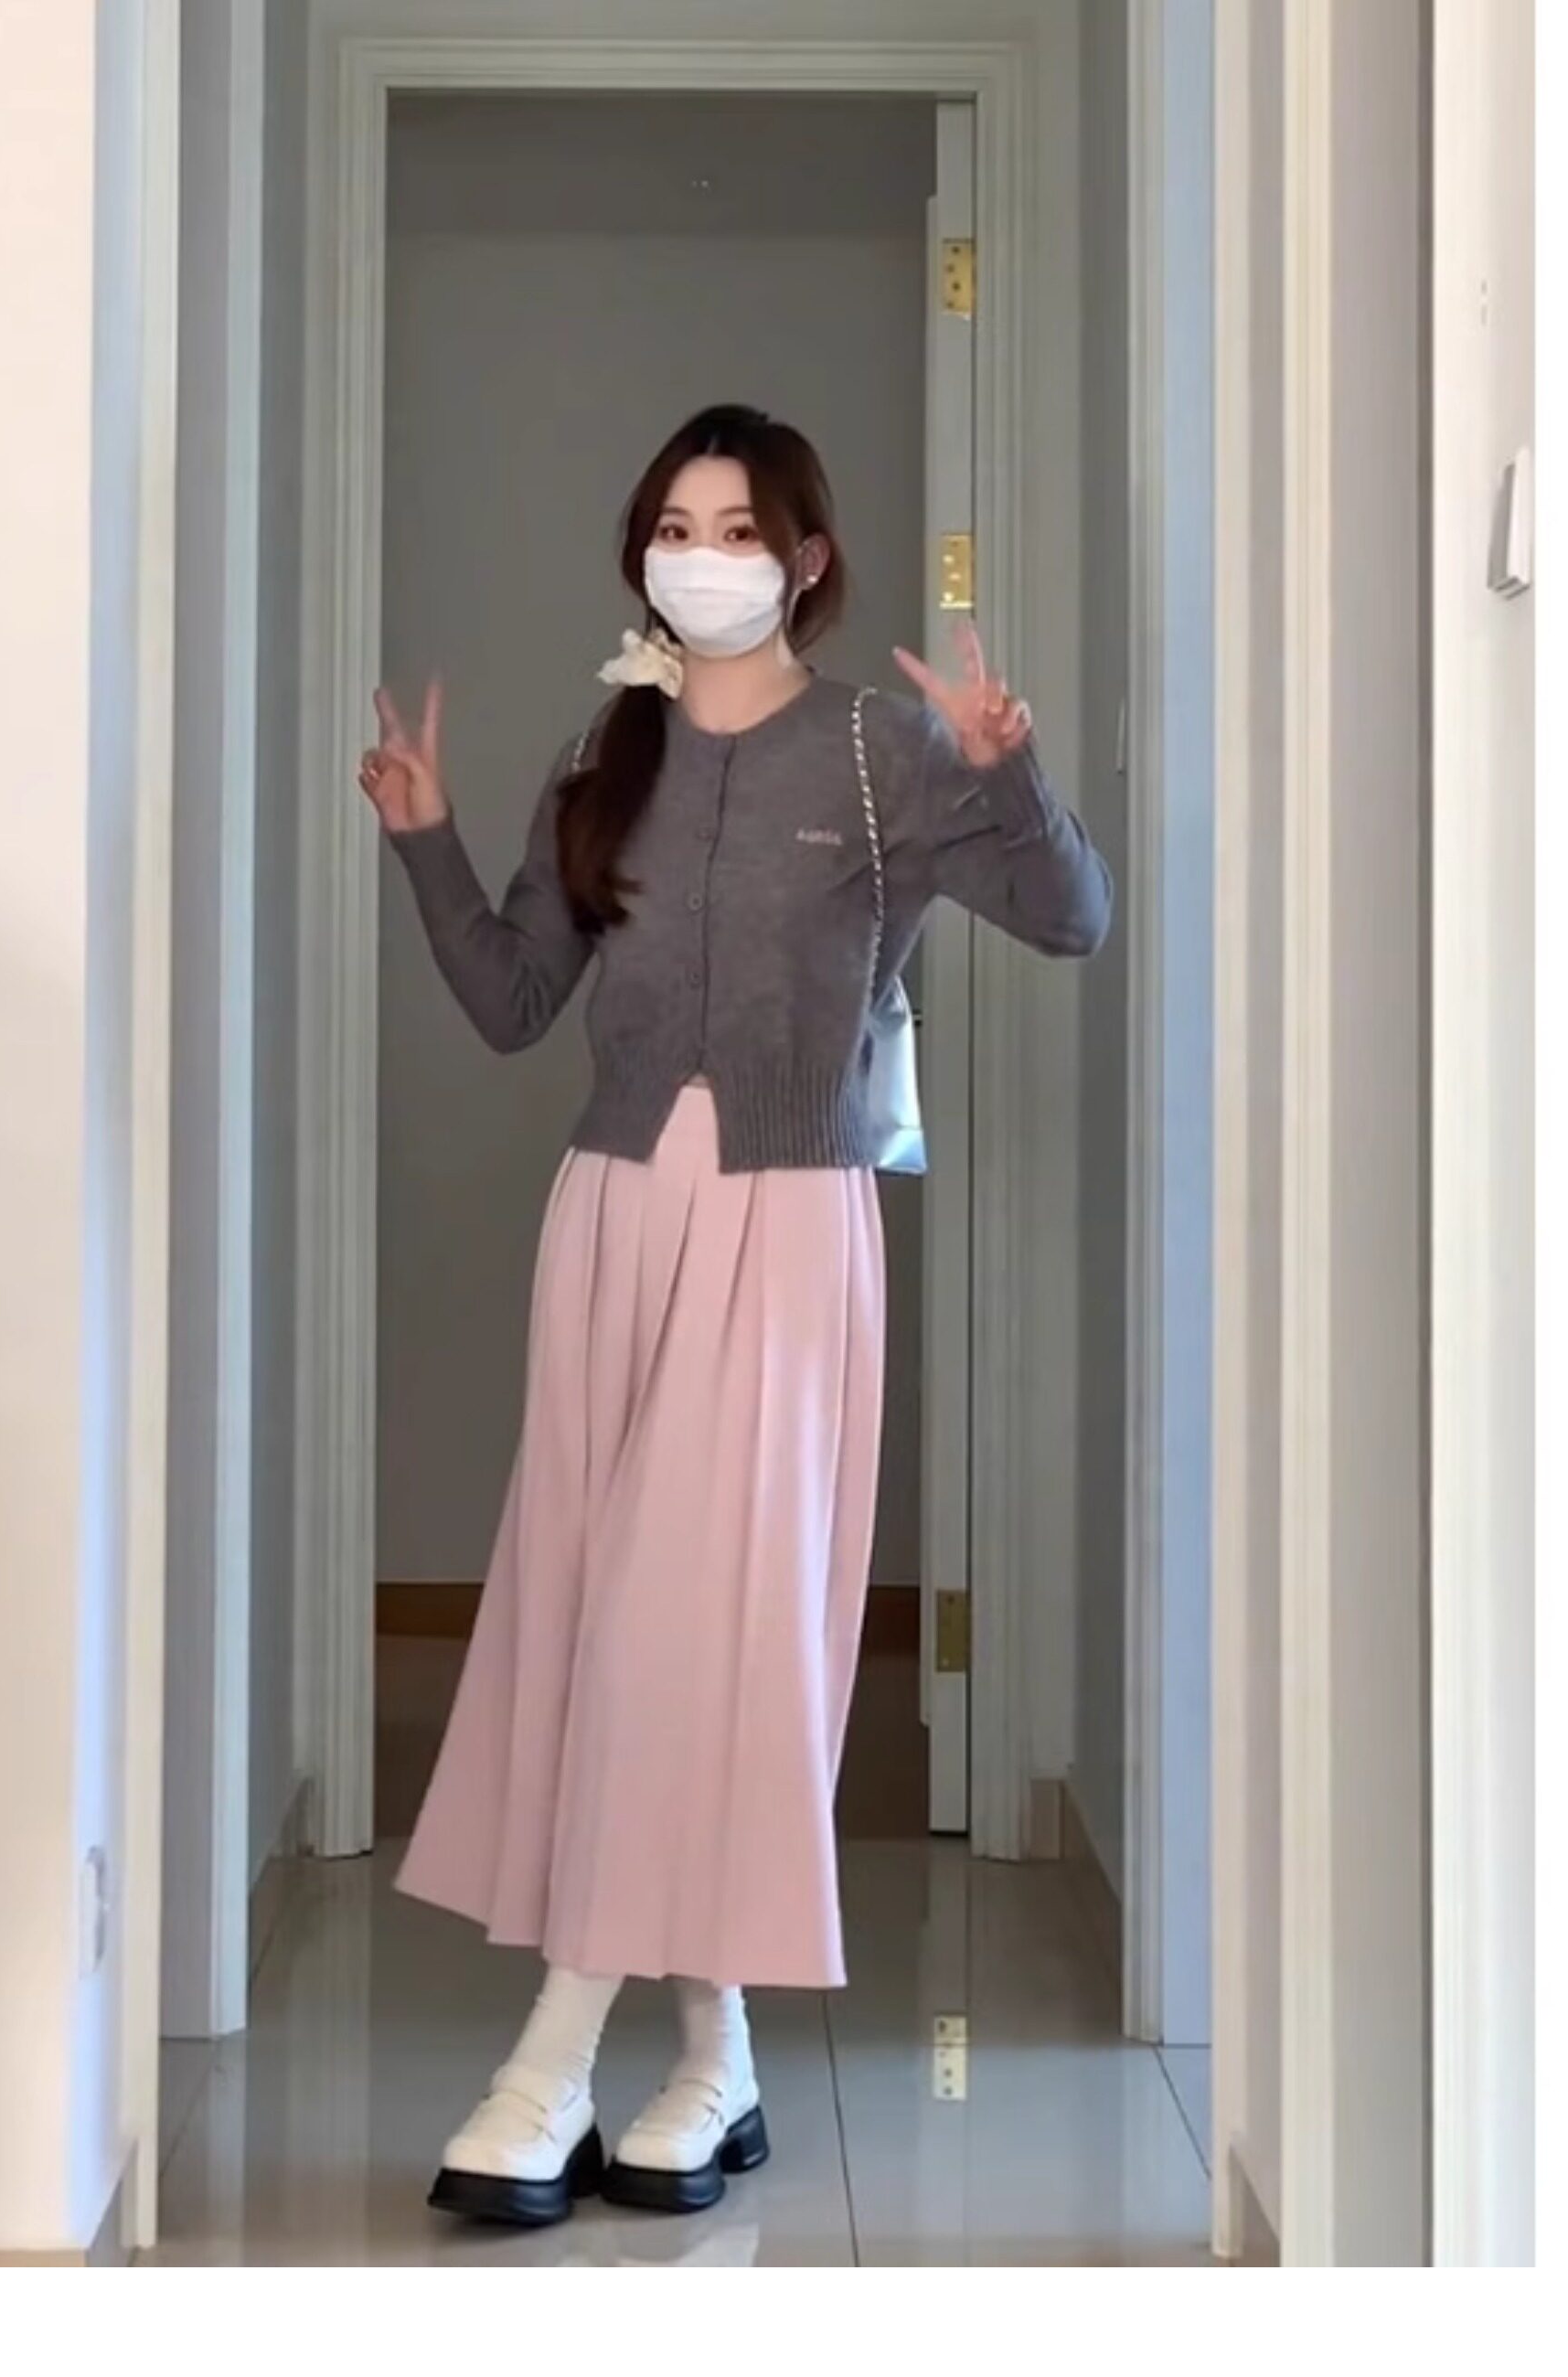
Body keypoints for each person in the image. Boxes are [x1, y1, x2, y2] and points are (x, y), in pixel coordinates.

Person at [357, 402, 1113, 2227]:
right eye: (674, 527)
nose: (700, 557)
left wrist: (1009, 772)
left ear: (806, 559)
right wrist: (427, 841)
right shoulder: (599, 755)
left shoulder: (879, 752)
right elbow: (514, 1003)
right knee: (619, 1623)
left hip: (783, 1228)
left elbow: (1073, 916)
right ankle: (718, 2058)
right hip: (611, 1222)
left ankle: (551, 2058)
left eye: (738, 528)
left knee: (687, 1627)